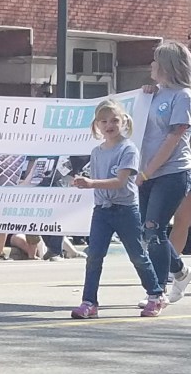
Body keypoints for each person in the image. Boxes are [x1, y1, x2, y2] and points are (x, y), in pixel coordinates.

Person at [70, 100, 165, 318]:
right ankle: (89, 302)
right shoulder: (97, 152)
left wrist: (91, 183)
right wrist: (84, 183)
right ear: (97, 125)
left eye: (114, 120)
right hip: (102, 210)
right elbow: (96, 180)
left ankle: (155, 295)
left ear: (123, 122)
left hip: (125, 209)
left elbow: (121, 181)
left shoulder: (128, 149)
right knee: (94, 255)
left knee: (137, 255)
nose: (109, 125)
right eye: (103, 121)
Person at [137, 40, 191, 306]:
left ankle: (156, 292)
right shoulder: (151, 94)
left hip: (172, 172)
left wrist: (147, 172)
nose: (151, 65)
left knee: (154, 228)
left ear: (168, 65)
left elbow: (172, 139)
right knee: (146, 232)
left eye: (156, 61)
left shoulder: (183, 96)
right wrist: (146, 95)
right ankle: (180, 271)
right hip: (146, 172)